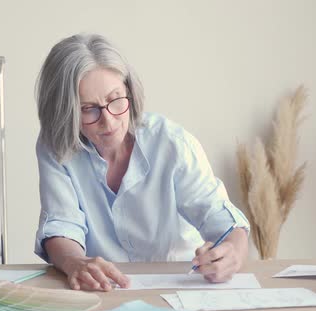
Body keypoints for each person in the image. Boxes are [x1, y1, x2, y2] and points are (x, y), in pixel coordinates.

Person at [34, 33, 250, 292]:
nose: (109, 121)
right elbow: (62, 224)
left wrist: (232, 254)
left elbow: (221, 219)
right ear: (64, 112)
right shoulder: (56, 146)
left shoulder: (171, 143)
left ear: (129, 91)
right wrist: (74, 262)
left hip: (181, 286)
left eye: (116, 100)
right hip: (104, 291)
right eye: (88, 109)